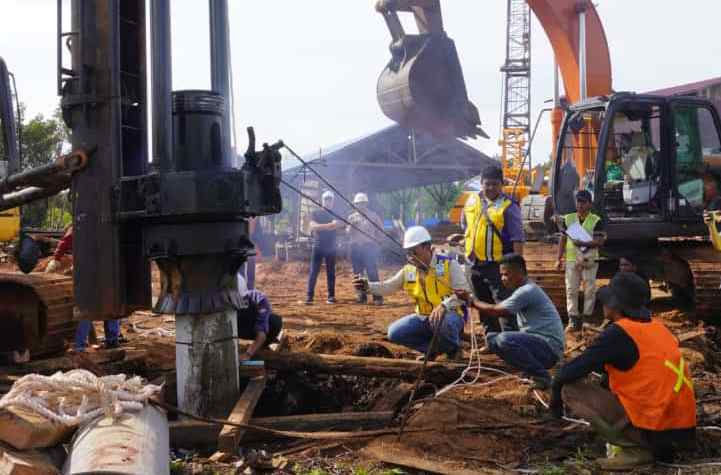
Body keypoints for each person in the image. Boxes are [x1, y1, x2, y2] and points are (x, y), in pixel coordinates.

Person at [549, 272, 696, 470]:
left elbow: (567, 373)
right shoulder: (658, 328)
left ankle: (636, 450)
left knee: (570, 389)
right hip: (680, 433)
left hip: (653, 431)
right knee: (609, 379)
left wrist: (555, 404)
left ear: (615, 305)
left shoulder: (619, 333)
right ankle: (650, 445)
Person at [353, 226, 469, 360]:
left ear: (427, 247)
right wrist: (368, 286)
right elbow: (388, 286)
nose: (411, 257)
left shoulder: (448, 265)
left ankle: (453, 350)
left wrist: (444, 306)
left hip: (450, 316)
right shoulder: (408, 270)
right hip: (423, 317)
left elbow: (464, 293)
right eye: (408, 253)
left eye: (414, 252)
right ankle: (431, 350)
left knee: (443, 322)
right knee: (395, 333)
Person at [457, 253, 565, 389]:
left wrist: (471, 301)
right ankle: (530, 371)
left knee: (504, 340)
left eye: (506, 274)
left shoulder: (527, 291)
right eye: (501, 275)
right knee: (492, 339)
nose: (503, 279)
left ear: (519, 272)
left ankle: (542, 377)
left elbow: (495, 311)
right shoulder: (522, 290)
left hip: (550, 349)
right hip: (540, 344)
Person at [448, 165, 524, 333]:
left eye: (495, 184)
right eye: (487, 184)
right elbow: (466, 227)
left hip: (497, 266)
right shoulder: (470, 201)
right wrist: (461, 238)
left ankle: (510, 339)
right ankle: (491, 339)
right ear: (481, 183)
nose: (490, 188)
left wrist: (517, 270)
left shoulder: (509, 207)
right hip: (473, 264)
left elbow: (517, 239)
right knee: (482, 302)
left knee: (503, 304)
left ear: (502, 184)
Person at [45, 225, 121, 351]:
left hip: (88, 273)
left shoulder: (78, 226)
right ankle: (112, 341)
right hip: (108, 270)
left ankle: (80, 345)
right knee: (110, 306)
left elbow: (66, 241)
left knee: (86, 308)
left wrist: (56, 259)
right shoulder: (105, 226)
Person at [556, 190, 605, 332]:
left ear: (590, 204)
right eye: (578, 202)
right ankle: (573, 320)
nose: (580, 205)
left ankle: (587, 320)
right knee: (571, 289)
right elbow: (563, 239)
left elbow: (600, 241)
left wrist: (583, 244)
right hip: (572, 259)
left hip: (589, 259)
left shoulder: (596, 220)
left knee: (589, 289)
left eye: (583, 202)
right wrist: (558, 258)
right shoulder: (569, 218)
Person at [305, 191, 343, 305]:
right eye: (326, 199)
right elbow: (313, 226)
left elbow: (338, 225)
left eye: (330, 199)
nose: (328, 201)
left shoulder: (335, 213)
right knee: (313, 272)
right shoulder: (315, 213)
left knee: (331, 272)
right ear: (322, 200)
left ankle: (331, 296)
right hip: (318, 246)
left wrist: (321, 227)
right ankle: (309, 296)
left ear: (333, 201)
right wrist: (329, 225)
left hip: (331, 247)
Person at [347, 192, 384, 305]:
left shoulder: (373, 216)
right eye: (358, 204)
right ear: (355, 204)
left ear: (366, 204)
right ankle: (361, 296)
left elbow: (381, 231)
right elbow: (347, 232)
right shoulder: (351, 217)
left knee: (372, 272)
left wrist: (376, 242)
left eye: (362, 203)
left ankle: (377, 297)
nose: (360, 205)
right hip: (356, 248)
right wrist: (352, 226)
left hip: (369, 248)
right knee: (358, 274)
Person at [236, 274, 283, 360]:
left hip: (248, 325)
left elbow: (261, 334)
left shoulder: (259, 299)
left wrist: (247, 354)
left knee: (275, 322)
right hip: (234, 327)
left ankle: (262, 346)